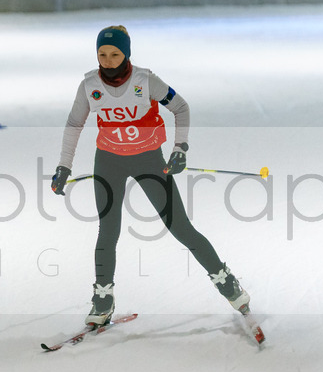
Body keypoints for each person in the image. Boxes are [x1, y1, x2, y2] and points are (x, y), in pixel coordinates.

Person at [51, 25, 250, 326]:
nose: (107, 60)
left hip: (148, 160)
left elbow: (181, 108)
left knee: (180, 227)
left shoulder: (145, 80)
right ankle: (103, 298)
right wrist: (64, 166)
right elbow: (73, 124)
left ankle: (226, 281)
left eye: (115, 54)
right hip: (108, 161)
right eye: (102, 54)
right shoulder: (89, 85)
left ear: (126, 53)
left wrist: (179, 148)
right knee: (108, 230)